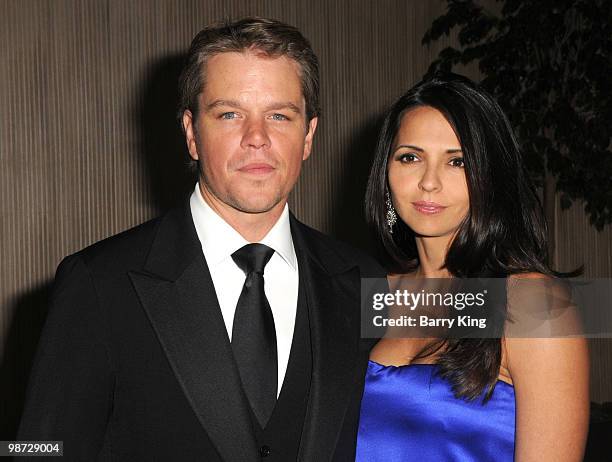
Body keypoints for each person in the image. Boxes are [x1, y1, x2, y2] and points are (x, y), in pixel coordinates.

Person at [18, 17, 385, 461]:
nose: (257, 138)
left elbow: (471, 316)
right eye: (230, 114)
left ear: (308, 136)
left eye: (279, 115)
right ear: (191, 133)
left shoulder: (364, 280)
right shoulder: (99, 282)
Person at [356, 73, 589, 461]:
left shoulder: (533, 304)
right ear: (385, 173)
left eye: (457, 161)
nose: (429, 182)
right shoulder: (372, 293)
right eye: (410, 157)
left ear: (489, 177)